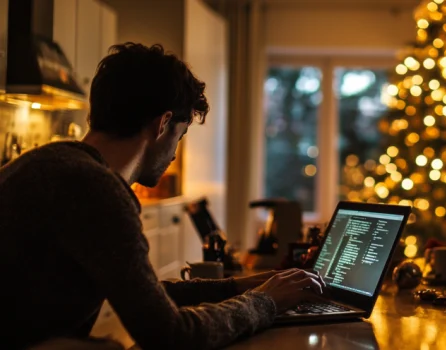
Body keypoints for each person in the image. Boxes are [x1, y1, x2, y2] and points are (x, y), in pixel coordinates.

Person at [0, 43, 324, 350]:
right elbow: (171, 335)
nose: (173, 154)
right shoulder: (96, 189)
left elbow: (143, 295)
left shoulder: (52, 164)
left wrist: (241, 286)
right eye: (180, 136)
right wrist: (265, 301)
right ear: (163, 124)